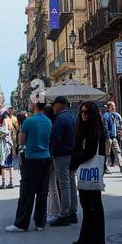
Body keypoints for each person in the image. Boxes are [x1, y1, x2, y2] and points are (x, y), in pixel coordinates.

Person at [6, 98, 52, 232]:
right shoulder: (48, 121)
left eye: (31, 102)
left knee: (27, 191)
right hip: (46, 158)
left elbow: (21, 142)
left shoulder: (29, 121)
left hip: (32, 158)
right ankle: (40, 223)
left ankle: (21, 223)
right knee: (43, 191)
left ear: (36, 104)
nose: (30, 104)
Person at [71, 100, 108, 244]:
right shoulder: (84, 127)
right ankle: (85, 237)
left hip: (91, 169)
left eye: (86, 112)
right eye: (82, 112)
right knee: (86, 206)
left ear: (92, 113)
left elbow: (90, 152)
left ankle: (97, 241)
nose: (83, 115)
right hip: (86, 169)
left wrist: (74, 163)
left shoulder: (95, 129)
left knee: (94, 207)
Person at [48, 96, 77, 227]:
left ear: (60, 105)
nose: (53, 107)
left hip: (61, 155)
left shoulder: (59, 119)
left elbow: (56, 138)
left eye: (54, 105)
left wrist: (53, 152)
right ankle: (73, 212)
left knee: (64, 184)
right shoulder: (72, 117)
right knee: (70, 182)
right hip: (71, 154)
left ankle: (64, 214)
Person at [0, 113, 15, 188]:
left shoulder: (5, 120)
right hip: (10, 144)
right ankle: (11, 182)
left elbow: (5, 132)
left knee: (3, 164)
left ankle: (3, 183)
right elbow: (10, 132)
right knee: (10, 164)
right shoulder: (10, 121)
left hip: (4, 145)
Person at [102, 102, 122, 172]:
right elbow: (105, 128)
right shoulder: (106, 116)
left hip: (113, 137)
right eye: (114, 107)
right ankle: (104, 168)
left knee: (118, 151)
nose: (115, 108)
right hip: (108, 138)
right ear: (109, 108)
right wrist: (108, 136)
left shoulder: (113, 115)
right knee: (106, 153)